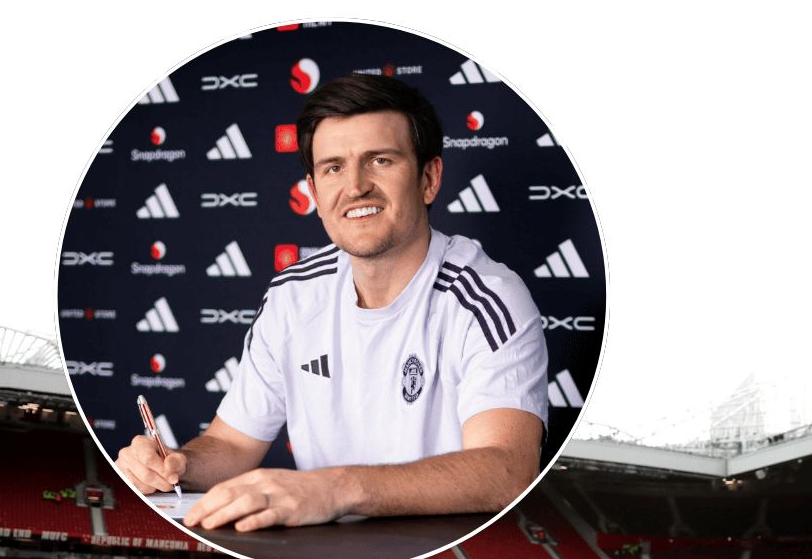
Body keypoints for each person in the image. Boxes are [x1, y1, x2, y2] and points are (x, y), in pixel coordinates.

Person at [115, 75, 548, 532]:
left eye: (380, 160)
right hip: (324, 554)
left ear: (428, 178)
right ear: (314, 191)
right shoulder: (292, 295)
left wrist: (335, 488)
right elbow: (233, 445)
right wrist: (176, 464)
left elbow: (507, 470)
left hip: (441, 557)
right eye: (333, 168)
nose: (356, 186)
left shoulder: (489, 297)